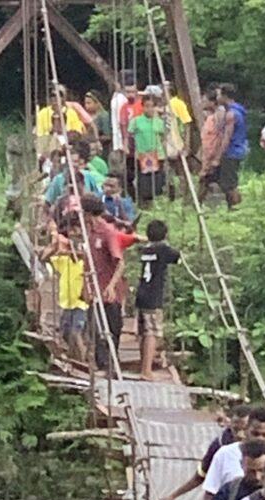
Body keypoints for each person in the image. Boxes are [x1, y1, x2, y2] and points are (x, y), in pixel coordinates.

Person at [154, 404, 252, 500]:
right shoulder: (220, 445)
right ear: (229, 424)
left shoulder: (264, 449)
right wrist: (173, 496)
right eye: (236, 429)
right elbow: (200, 476)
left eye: (244, 429)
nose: (240, 434)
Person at [81, 194, 138, 372]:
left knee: (111, 330)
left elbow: (120, 262)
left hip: (108, 293)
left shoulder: (107, 233)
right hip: (94, 290)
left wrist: (111, 286)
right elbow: (88, 262)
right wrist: (85, 285)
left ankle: (111, 366)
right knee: (95, 330)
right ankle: (103, 367)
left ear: (88, 213)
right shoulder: (90, 233)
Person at [202, 407, 265, 500]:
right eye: (255, 433)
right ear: (246, 430)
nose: (260, 439)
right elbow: (210, 493)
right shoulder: (225, 454)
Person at [135, 219, 181, 380]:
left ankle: (144, 365)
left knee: (144, 332)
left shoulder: (145, 250)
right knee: (152, 333)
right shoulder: (163, 249)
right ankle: (146, 371)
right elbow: (178, 258)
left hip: (141, 294)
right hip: (153, 296)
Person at [42, 214, 90, 362]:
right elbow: (44, 258)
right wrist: (55, 246)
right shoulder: (64, 261)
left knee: (76, 332)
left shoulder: (85, 265)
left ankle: (83, 360)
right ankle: (75, 357)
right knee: (65, 332)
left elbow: (88, 259)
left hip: (80, 303)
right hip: (66, 303)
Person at [35, 87, 92, 169]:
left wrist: (65, 139)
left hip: (67, 142)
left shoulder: (71, 113)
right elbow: (40, 134)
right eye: (52, 96)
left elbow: (77, 133)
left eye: (58, 96)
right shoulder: (43, 113)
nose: (55, 99)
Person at [127, 93, 167, 204]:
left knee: (157, 179)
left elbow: (163, 137)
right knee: (144, 180)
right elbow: (129, 136)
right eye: (146, 106)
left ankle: (158, 201)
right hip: (142, 155)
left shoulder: (159, 122)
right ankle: (144, 202)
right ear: (142, 107)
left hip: (157, 154)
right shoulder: (136, 121)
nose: (149, 109)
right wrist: (130, 150)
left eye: (151, 106)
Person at [215, 83, 248, 209]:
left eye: (218, 94)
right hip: (239, 150)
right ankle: (233, 207)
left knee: (230, 185)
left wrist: (219, 156)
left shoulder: (231, 114)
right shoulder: (239, 110)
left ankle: (236, 208)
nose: (217, 98)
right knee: (229, 183)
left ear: (224, 96)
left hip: (231, 152)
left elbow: (226, 137)